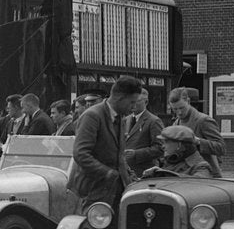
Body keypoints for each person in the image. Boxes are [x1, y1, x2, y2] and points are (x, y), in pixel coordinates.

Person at [68, 75, 142, 210]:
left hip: (115, 190)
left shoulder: (119, 117)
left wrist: (130, 176)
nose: (134, 107)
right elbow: (80, 153)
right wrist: (106, 172)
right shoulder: (92, 116)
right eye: (132, 102)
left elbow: (118, 155)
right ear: (120, 98)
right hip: (94, 190)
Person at [168, 87, 225, 177]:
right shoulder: (176, 123)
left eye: (182, 108)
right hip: (185, 173)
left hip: (207, 175)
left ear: (188, 102)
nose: (179, 112)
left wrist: (198, 141)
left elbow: (220, 148)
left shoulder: (203, 120)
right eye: (175, 109)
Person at [143, 125, 211, 178]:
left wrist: (165, 174)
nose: (163, 146)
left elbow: (199, 184)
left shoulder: (201, 166)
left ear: (179, 145)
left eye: (166, 142)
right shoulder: (168, 161)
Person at [123, 88, 164, 177]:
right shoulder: (126, 120)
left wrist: (136, 154)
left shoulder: (154, 121)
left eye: (137, 101)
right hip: (127, 172)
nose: (133, 104)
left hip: (145, 173)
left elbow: (160, 148)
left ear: (146, 102)